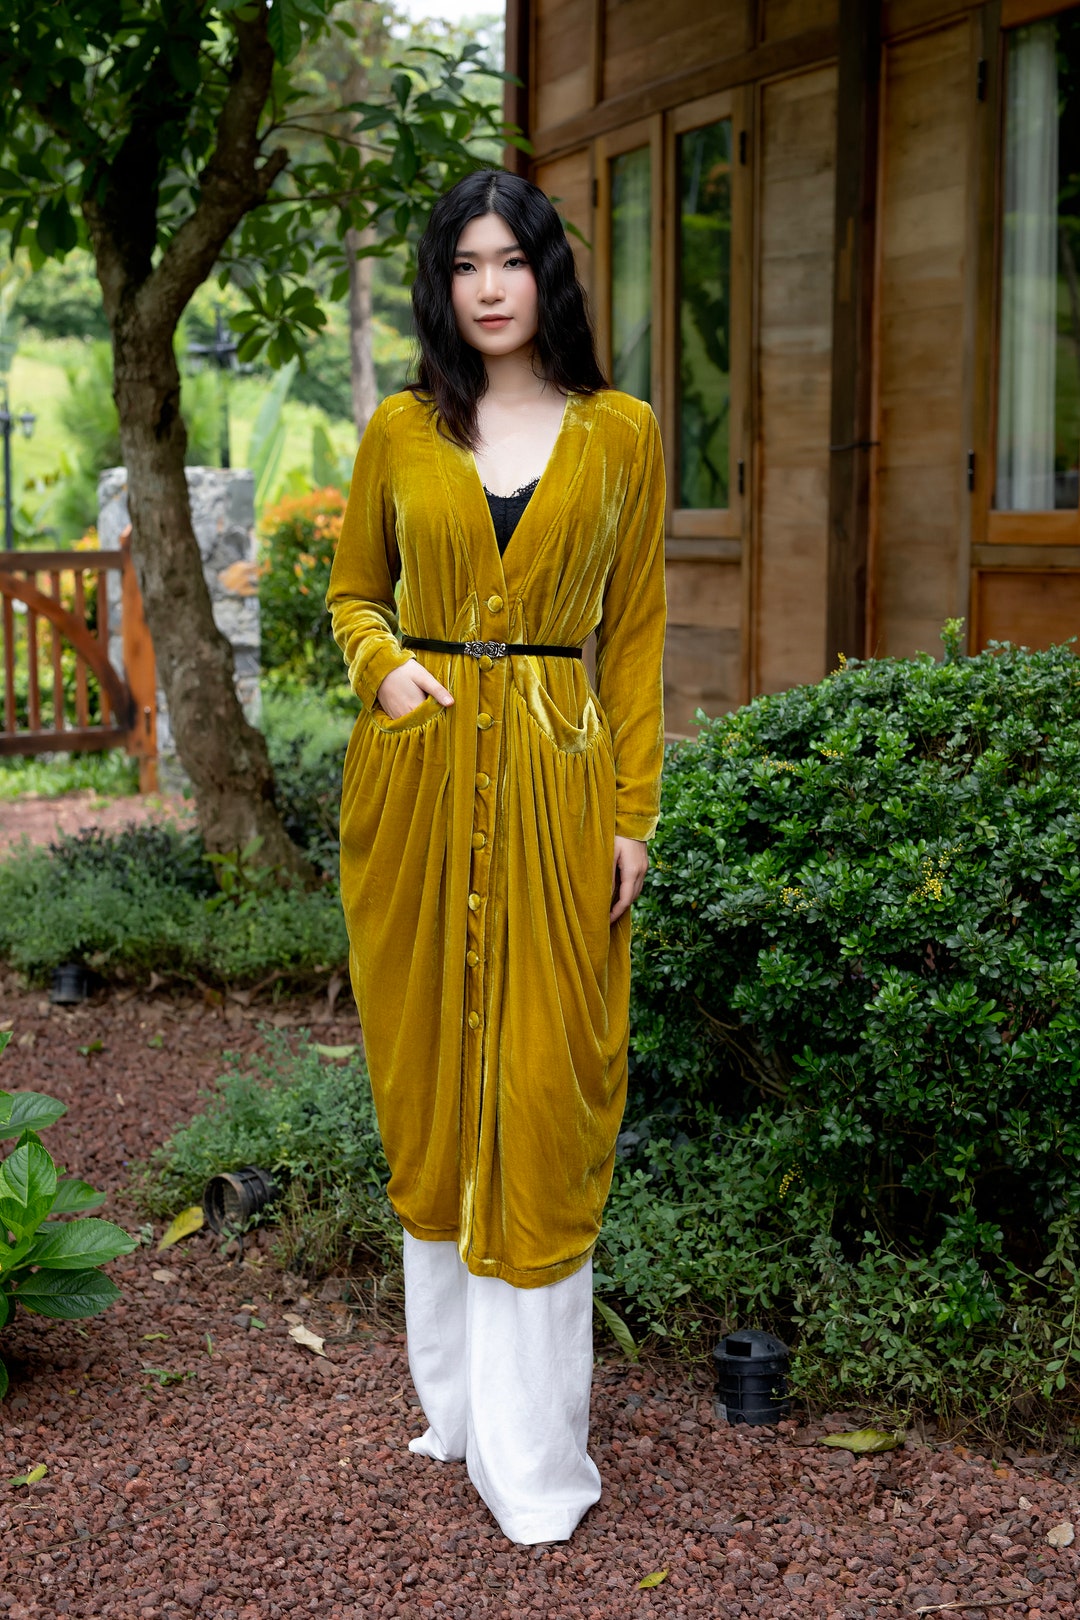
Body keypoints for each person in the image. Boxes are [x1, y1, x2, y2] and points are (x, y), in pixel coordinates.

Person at [326, 168, 667, 1546]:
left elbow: (633, 638)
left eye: (510, 260)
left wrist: (633, 815)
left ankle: (532, 1452)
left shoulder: (623, 434)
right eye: (464, 263)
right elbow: (354, 592)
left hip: (553, 787)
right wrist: (384, 669)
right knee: (429, 1080)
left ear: (547, 274)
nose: (488, 287)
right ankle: (457, 1408)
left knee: (541, 1088)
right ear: (442, 283)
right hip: (418, 786)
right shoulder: (401, 429)